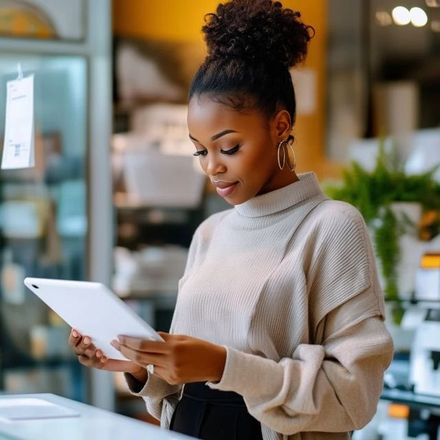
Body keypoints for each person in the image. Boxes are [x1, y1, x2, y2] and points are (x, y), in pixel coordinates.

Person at [69, 1, 394, 439]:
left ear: (280, 126)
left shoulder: (332, 226)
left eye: (229, 147)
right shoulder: (210, 233)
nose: (212, 167)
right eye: (201, 150)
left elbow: (352, 398)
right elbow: (184, 389)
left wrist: (225, 366)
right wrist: (139, 366)